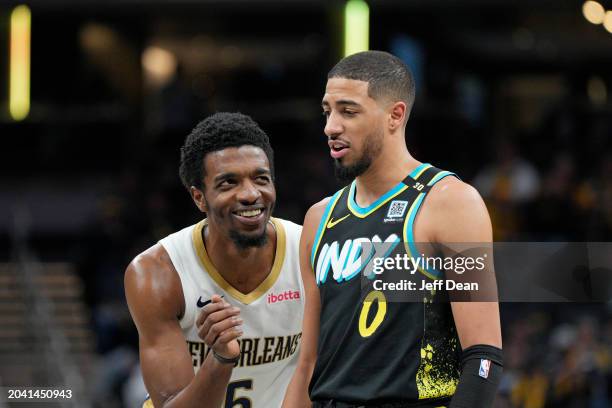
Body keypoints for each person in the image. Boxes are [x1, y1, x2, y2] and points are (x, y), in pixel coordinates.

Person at [283, 51, 502, 408]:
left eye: (348, 111)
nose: (330, 127)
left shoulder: (451, 203)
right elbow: (307, 365)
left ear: (395, 115)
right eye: (327, 111)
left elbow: (483, 357)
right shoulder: (318, 218)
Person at [125, 112, 303, 408]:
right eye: (228, 183)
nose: (250, 194)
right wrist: (220, 359)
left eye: (261, 178)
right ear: (199, 197)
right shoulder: (156, 272)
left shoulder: (309, 249)